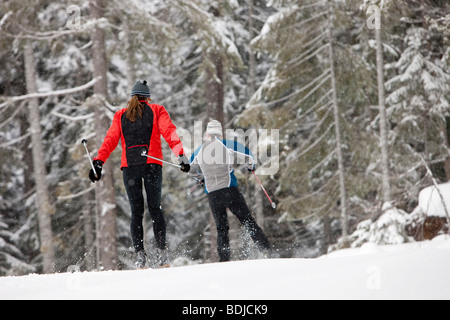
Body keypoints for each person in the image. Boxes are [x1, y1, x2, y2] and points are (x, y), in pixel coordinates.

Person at [88, 80, 190, 269]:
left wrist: (99, 162)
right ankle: (161, 255)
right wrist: (181, 155)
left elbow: (110, 139)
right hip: (151, 164)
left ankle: (140, 257)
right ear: (148, 97)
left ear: (132, 97)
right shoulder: (157, 110)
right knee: (155, 209)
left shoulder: (121, 115)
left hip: (130, 168)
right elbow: (169, 132)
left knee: (137, 212)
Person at [189, 120, 271, 262]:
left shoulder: (199, 151)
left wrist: (200, 178)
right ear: (220, 133)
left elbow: (189, 168)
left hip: (213, 195)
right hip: (230, 191)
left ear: (207, 133)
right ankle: (266, 250)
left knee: (222, 228)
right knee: (247, 221)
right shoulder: (227, 144)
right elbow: (249, 156)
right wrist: (251, 167)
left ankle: (224, 259)